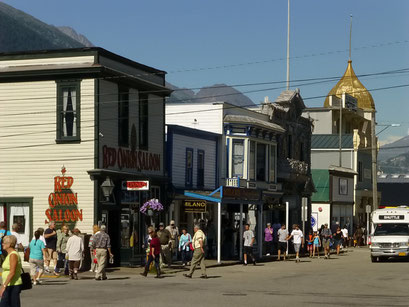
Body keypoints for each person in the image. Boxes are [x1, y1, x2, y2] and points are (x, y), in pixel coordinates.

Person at [0, 235, 22, 307]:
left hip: (13, 284)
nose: (2, 244)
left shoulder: (13, 255)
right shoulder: (9, 254)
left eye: (4, 243)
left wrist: (4, 286)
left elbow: (12, 272)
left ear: (9, 244)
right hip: (9, 284)